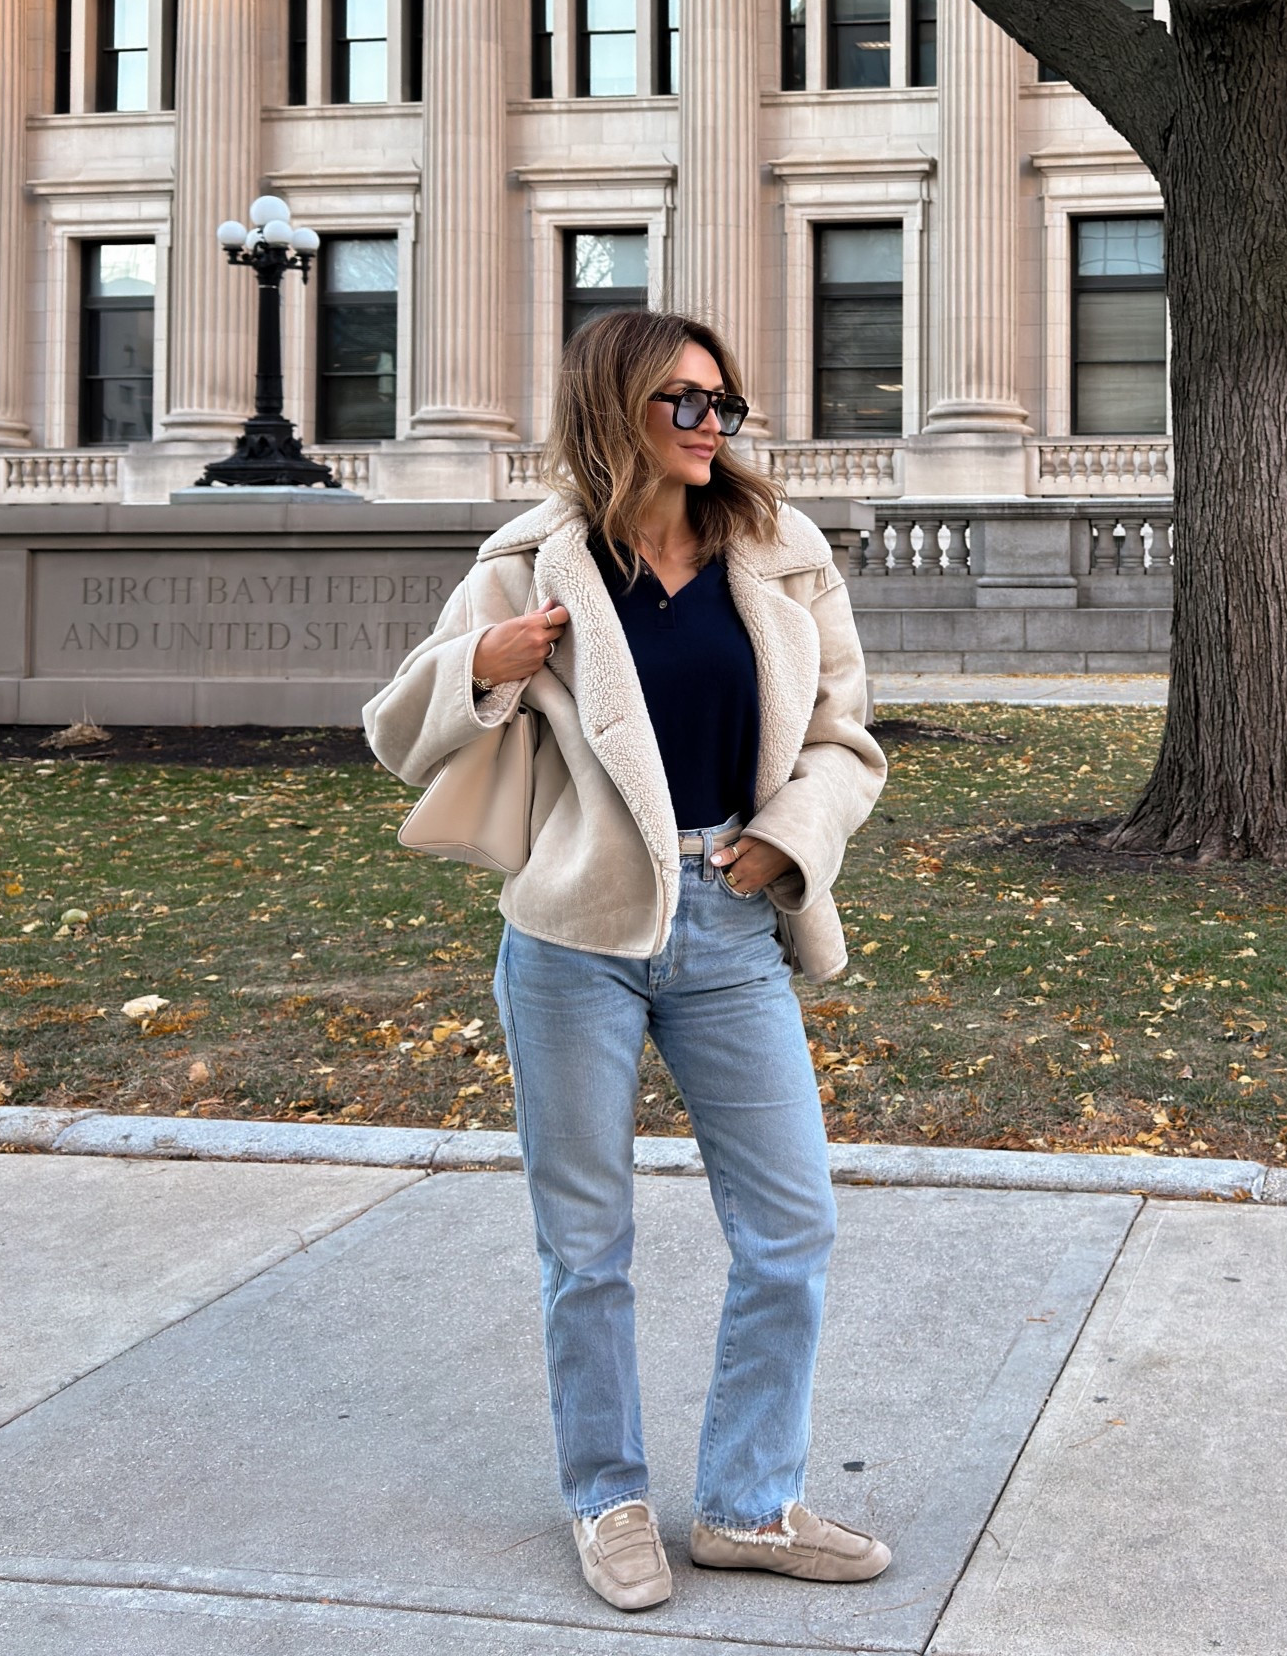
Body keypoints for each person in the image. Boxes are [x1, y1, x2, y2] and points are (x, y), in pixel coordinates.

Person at [363, 310, 889, 1613]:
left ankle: (750, 1505)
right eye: (685, 404)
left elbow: (844, 739)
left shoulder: (779, 553)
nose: (714, 427)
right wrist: (480, 670)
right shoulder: (527, 566)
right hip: (571, 937)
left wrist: (785, 839)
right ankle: (607, 1497)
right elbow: (393, 734)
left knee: (790, 1225)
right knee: (585, 1247)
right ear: (614, 411)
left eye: (725, 405)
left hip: (728, 920)